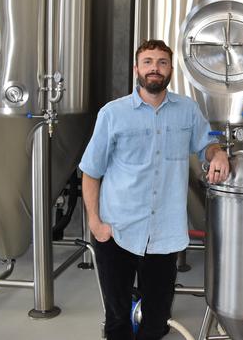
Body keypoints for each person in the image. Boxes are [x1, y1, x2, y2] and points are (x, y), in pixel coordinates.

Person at [79, 39, 229, 340]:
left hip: (165, 233)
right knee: (118, 316)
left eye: (161, 62)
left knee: (157, 317)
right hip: (117, 229)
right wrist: (95, 224)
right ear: (137, 69)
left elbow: (206, 145)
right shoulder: (113, 113)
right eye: (148, 62)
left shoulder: (187, 111)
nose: (154, 69)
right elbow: (90, 172)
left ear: (170, 69)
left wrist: (219, 153)